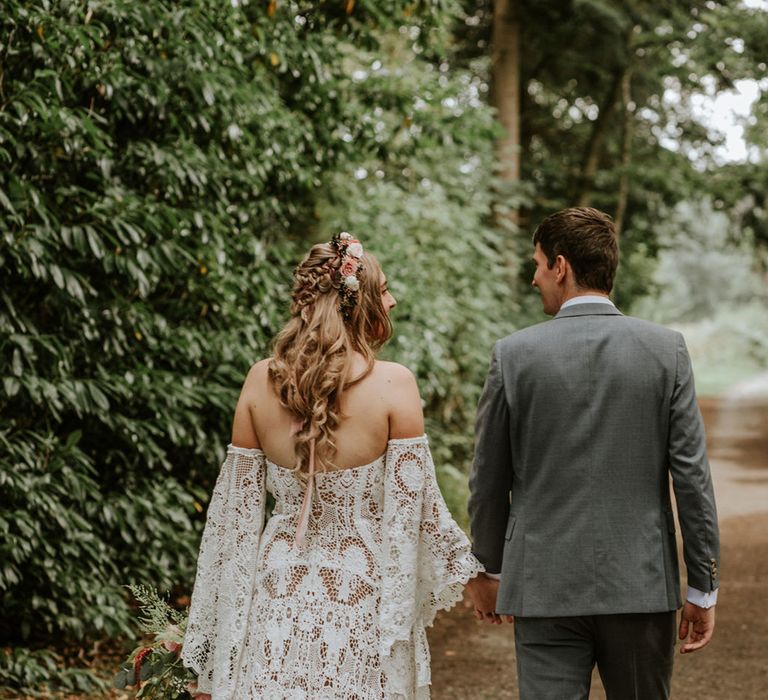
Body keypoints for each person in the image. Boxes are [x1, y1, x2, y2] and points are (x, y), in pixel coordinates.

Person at [180, 232, 482, 699]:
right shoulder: (394, 384)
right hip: (360, 603)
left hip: (273, 596)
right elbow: (415, 518)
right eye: (384, 291)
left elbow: (232, 527)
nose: (393, 301)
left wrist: (215, 654)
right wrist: (480, 577)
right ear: (357, 303)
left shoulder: (260, 381)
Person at [466, 207, 720, 699]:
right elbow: (692, 478)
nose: (534, 276)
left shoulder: (513, 355)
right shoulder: (666, 351)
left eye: (538, 263)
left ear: (561, 266)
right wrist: (702, 587)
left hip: (543, 585)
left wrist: (490, 569)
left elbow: (488, 479)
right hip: (641, 584)